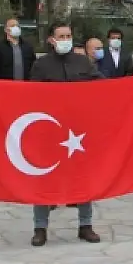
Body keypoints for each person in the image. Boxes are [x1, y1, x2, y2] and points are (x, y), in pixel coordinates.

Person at [28, 21, 104, 246]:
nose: (65, 40)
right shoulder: (41, 65)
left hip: (78, 132)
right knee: (44, 179)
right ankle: (40, 228)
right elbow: (30, 95)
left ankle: (86, 225)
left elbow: (100, 86)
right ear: (51, 40)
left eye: (68, 36)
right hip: (49, 131)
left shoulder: (83, 62)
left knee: (83, 177)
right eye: (60, 36)